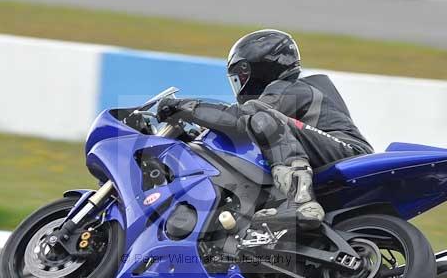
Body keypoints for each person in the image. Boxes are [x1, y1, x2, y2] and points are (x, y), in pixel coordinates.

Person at [156, 29, 373, 230]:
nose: (239, 85)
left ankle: (301, 201)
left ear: (259, 68)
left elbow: (241, 117)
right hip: (331, 155)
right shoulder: (290, 94)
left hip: (348, 152)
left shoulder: (293, 89)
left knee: (262, 117)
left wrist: (185, 107)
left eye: (240, 77)